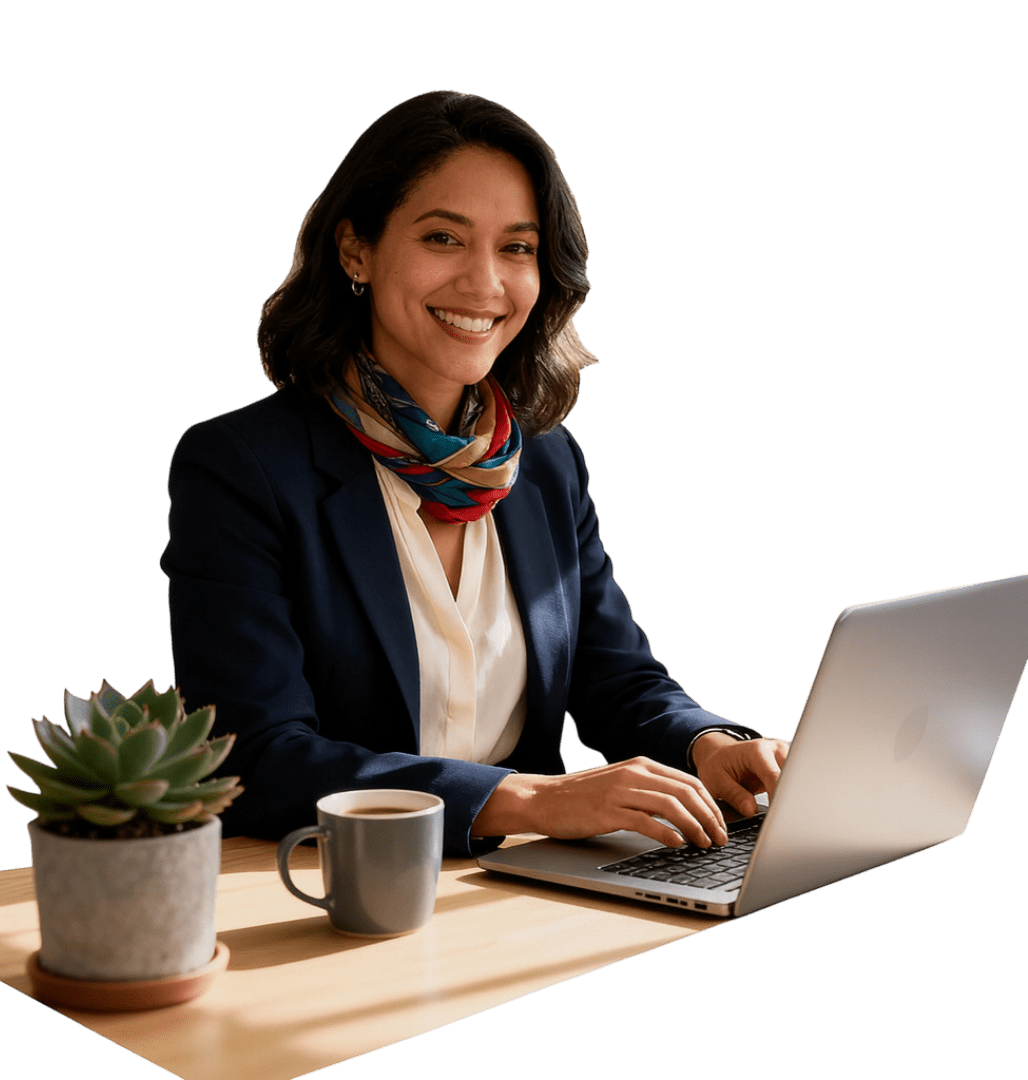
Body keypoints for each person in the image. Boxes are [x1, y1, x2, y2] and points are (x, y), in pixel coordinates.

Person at [161, 90, 789, 858]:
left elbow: (616, 678)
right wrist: (526, 798)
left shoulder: (546, 461)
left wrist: (710, 743)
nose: (486, 283)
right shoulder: (243, 468)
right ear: (355, 248)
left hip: (527, 889)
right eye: (443, 238)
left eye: (518, 248)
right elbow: (256, 756)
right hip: (337, 890)